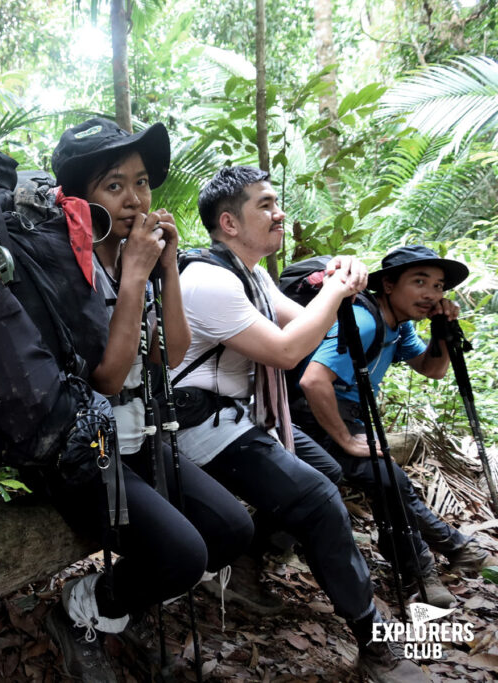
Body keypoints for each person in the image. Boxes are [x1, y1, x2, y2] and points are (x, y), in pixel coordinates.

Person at [172, 165, 425, 682]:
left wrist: (337, 286)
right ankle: (372, 637)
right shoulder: (207, 279)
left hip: (234, 416)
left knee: (325, 474)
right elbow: (289, 353)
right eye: (264, 205)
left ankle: (247, 564)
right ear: (229, 222)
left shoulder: (250, 272)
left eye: (275, 201)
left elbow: (297, 319)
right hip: (192, 423)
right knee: (316, 496)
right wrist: (335, 292)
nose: (278, 211)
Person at [43, 118, 253, 675]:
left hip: (139, 437)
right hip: (90, 452)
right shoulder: (71, 269)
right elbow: (106, 380)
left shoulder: (133, 259)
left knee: (232, 530)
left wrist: (167, 272)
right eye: (114, 186)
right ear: (81, 201)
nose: (135, 198)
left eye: (141, 182)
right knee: (183, 555)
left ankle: (116, 605)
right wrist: (134, 274)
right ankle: (81, 610)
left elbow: (170, 355)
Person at [295, 245, 494, 601]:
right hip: (308, 416)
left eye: (437, 286)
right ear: (388, 285)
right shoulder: (366, 320)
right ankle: (439, 557)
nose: (431, 294)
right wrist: (345, 440)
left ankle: (427, 566)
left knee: (388, 480)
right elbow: (312, 381)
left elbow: (432, 369)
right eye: (420, 282)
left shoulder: (398, 328)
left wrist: (442, 328)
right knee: (388, 477)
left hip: (345, 413)